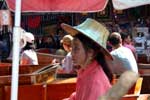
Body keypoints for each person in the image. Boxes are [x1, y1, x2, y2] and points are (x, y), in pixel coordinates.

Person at [61, 18, 113, 100]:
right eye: (72, 48)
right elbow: (79, 95)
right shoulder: (85, 70)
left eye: (76, 48)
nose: (71, 53)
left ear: (90, 53)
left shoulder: (95, 82)